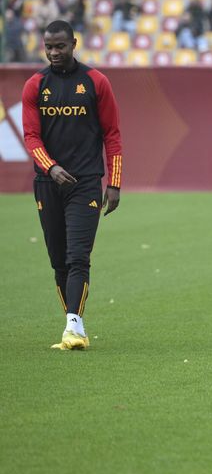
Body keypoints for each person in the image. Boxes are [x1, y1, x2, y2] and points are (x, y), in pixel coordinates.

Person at [21, 20, 123, 350]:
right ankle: (73, 322)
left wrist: (115, 182)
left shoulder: (96, 82)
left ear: (73, 43)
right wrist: (50, 168)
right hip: (47, 184)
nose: (54, 52)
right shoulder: (35, 86)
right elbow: (31, 136)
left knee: (78, 258)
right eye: (49, 46)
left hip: (86, 183)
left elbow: (112, 134)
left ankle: (74, 328)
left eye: (60, 46)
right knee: (59, 262)